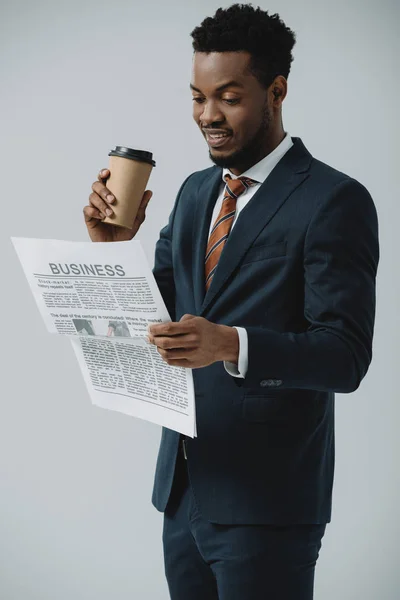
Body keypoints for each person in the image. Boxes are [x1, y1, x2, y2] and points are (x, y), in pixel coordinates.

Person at [83, 4, 379, 599]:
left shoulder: (333, 199)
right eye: (196, 97)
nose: (207, 116)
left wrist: (231, 343)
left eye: (228, 97)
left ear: (277, 90)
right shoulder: (196, 192)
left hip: (269, 498)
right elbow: (155, 317)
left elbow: (344, 356)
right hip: (185, 487)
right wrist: (113, 251)